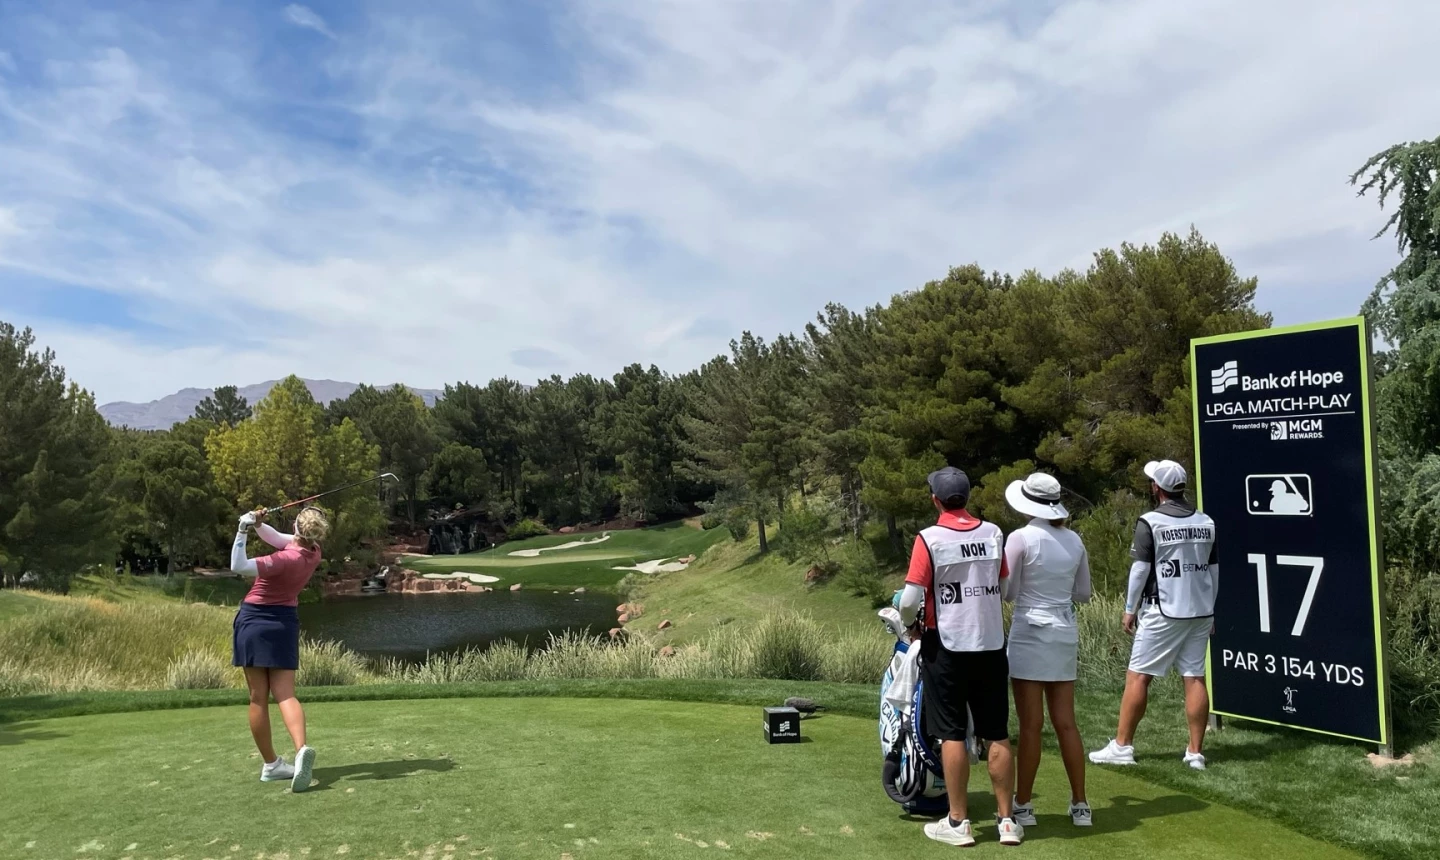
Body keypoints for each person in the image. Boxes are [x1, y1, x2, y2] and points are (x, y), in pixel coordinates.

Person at [898, 467, 1023, 847]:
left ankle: (958, 822)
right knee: (996, 730)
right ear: (967, 497)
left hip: (947, 645)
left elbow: (908, 600)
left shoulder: (929, 538)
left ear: (935, 500)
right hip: (990, 644)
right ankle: (1006, 822)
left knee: (951, 732)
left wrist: (910, 628)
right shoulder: (993, 532)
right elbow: (1002, 586)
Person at [1090, 459, 1219, 770]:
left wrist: (1129, 609)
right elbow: (1213, 570)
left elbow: (1140, 570)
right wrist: (1212, 610)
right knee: (1194, 676)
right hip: (1200, 610)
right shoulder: (1206, 521)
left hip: (1163, 609)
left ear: (1157, 488)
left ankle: (1122, 747)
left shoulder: (1150, 522)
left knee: (1138, 676)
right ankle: (1195, 753)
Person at [1002, 473, 1093, 828]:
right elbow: (1083, 593)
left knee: (1031, 726)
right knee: (1066, 723)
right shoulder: (1074, 539)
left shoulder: (1021, 537)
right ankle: (1081, 804)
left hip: (1029, 632)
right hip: (1063, 630)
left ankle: (1023, 805)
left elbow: (1008, 592)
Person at [229, 504, 331, 793]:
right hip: (285, 622)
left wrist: (242, 529)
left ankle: (272, 765)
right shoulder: (312, 552)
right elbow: (278, 537)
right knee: (285, 693)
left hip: (254, 621)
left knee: (258, 697)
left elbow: (238, 566)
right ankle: (300, 752)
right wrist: (259, 525)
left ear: (297, 528)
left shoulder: (282, 560)